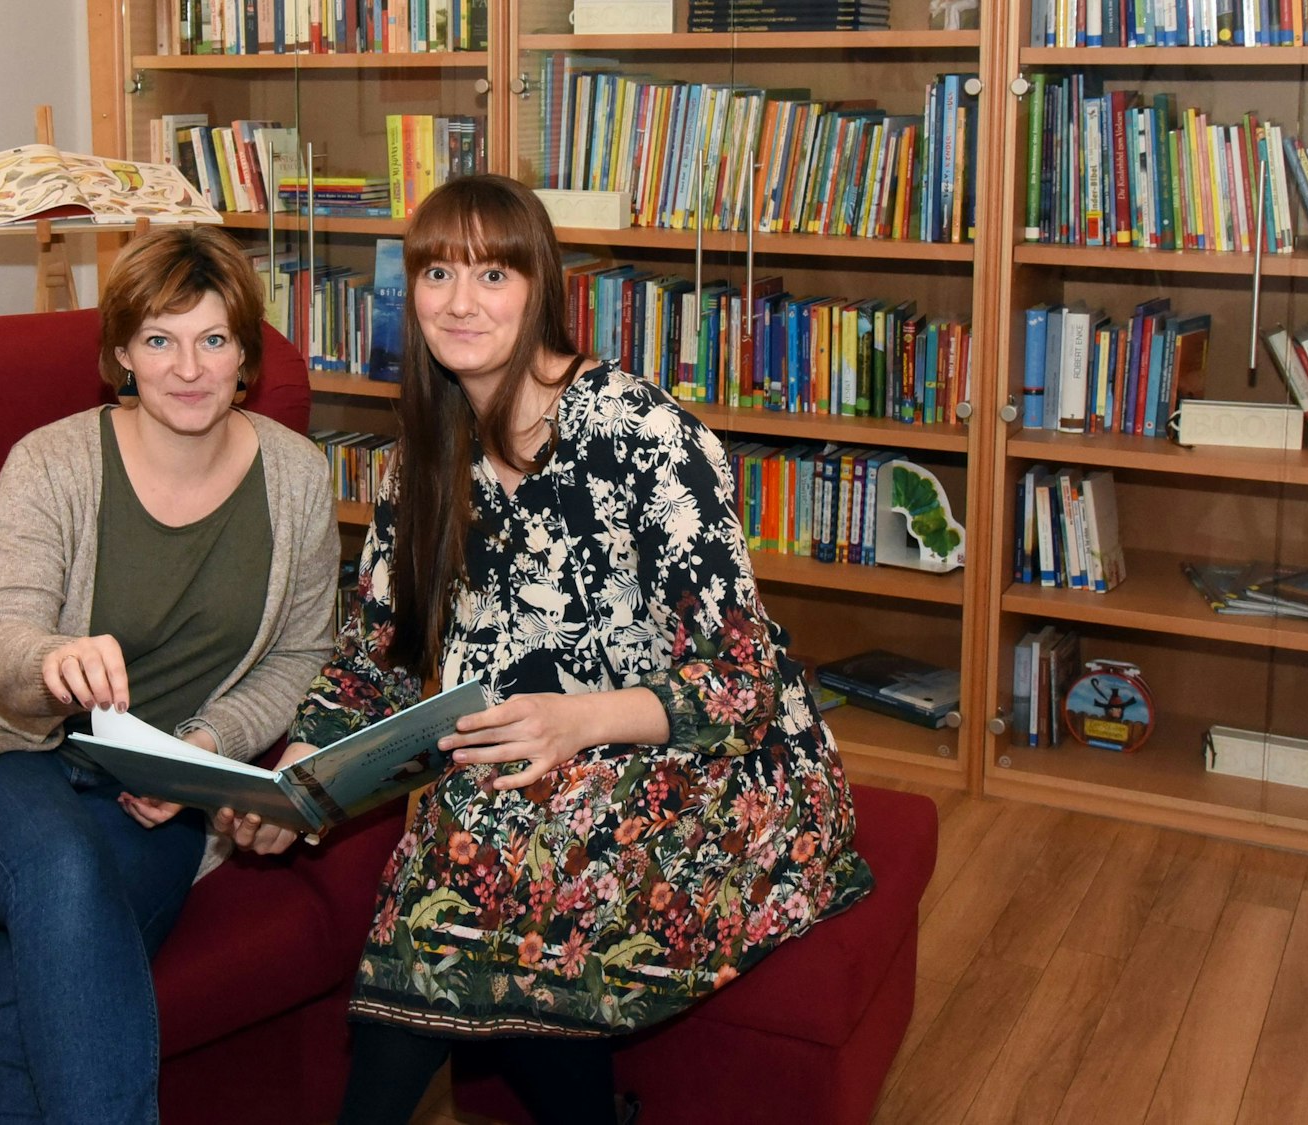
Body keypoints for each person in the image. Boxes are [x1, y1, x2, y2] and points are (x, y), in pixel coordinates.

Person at [251, 175, 875, 1125]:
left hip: (723, 766)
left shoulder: (642, 433)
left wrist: (575, 719)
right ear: (407, 291)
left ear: (539, 287)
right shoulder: (422, 457)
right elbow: (372, 659)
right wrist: (301, 771)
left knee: (477, 840)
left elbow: (743, 681)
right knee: (489, 819)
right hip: (537, 763)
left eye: (491, 274)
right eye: (437, 274)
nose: (460, 302)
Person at [0, 225, 339, 1124]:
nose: (188, 367)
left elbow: (301, 652)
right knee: (63, 869)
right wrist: (53, 658)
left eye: (214, 339)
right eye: (160, 339)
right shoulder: (51, 462)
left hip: (150, 794)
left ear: (246, 353)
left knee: (42, 966)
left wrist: (202, 745)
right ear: (121, 352)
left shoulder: (298, 476)